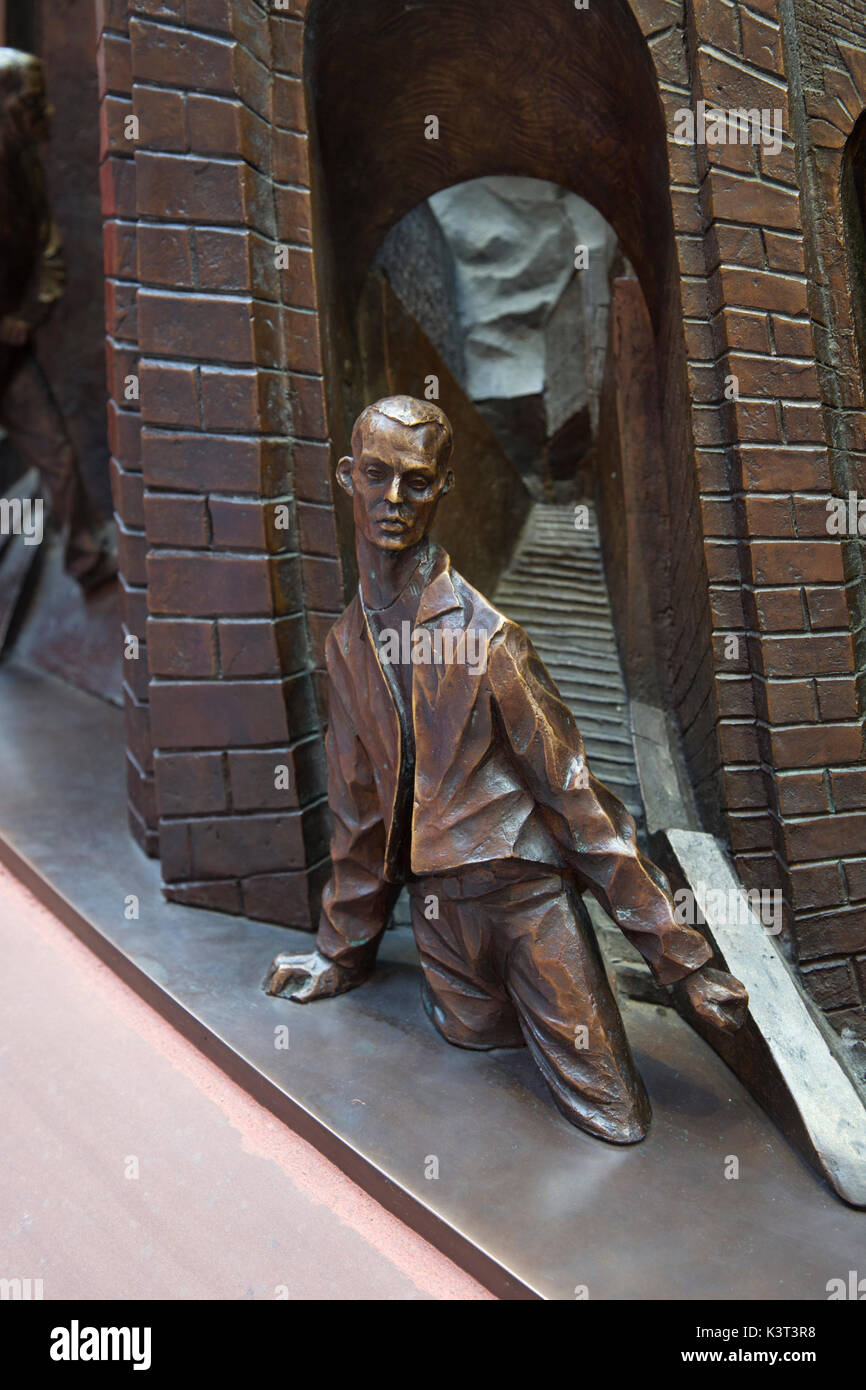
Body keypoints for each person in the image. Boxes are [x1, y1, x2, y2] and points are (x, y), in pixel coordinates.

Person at [265, 395, 747, 1143]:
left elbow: (579, 802)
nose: (393, 500)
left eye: (417, 482)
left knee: (614, 1118)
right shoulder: (347, 645)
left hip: (527, 906)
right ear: (346, 476)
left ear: (443, 488)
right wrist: (339, 954)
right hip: (440, 923)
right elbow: (360, 819)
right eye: (376, 476)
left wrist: (682, 965)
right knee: (477, 1071)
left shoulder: (490, 640)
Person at [0, 48, 115, 590]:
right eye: (31, 101)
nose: (44, 112)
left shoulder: (23, 168)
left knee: (60, 459)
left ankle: (87, 563)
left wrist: (26, 314)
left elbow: (48, 252)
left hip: (9, 352)